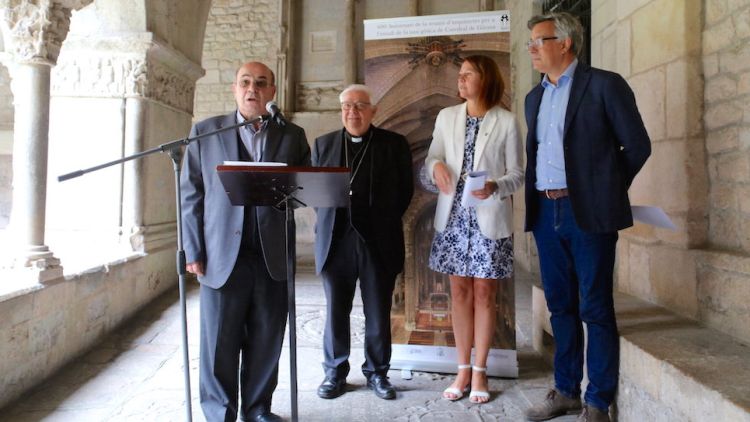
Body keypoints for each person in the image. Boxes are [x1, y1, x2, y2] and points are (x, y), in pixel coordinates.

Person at [522, 13, 651, 422]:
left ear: (565, 43)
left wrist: (604, 189)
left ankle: (598, 400)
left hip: (587, 213)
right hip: (545, 210)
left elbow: (637, 146)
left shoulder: (604, 85)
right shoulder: (533, 98)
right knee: (559, 305)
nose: (532, 49)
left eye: (539, 41)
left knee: (594, 306)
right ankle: (565, 391)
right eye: (531, 42)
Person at [181, 61, 310, 422]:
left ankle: (257, 410)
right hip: (221, 252)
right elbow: (191, 194)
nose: (252, 89)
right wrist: (193, 249)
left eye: (261, 83)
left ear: (272, 92)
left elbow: (301, 191)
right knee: (219, 342)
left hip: (270, 252)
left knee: (267, 337)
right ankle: (220, 412)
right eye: (245, 82)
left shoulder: (291, 136)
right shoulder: (204, 133)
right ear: (235, 89)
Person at [425, 55, 524, 404]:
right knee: (460, 294)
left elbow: (518, 174)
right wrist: (436, 166)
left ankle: (480, 371)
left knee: (484, 294)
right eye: (460, 75)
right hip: (452, 216)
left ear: (486, 79)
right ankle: (462, 368)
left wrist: (496, 186)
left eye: (468, 74)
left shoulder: (507, 121)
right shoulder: (446, 116)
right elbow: (432, 157)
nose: (461, 80)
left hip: (488, 216)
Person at [312, 84, 413, 401]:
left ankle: (378, 373)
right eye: (346, 106)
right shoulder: (323, 144)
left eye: (359, 105)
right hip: (336, 240)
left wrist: (379, 219)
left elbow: (404, 192)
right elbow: (315, 193)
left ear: (373, 110)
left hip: (377, 241)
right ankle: (334, 372)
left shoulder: (393, 145)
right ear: (341, 110)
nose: (352, 112)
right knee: (335, 312)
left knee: (378, 312)